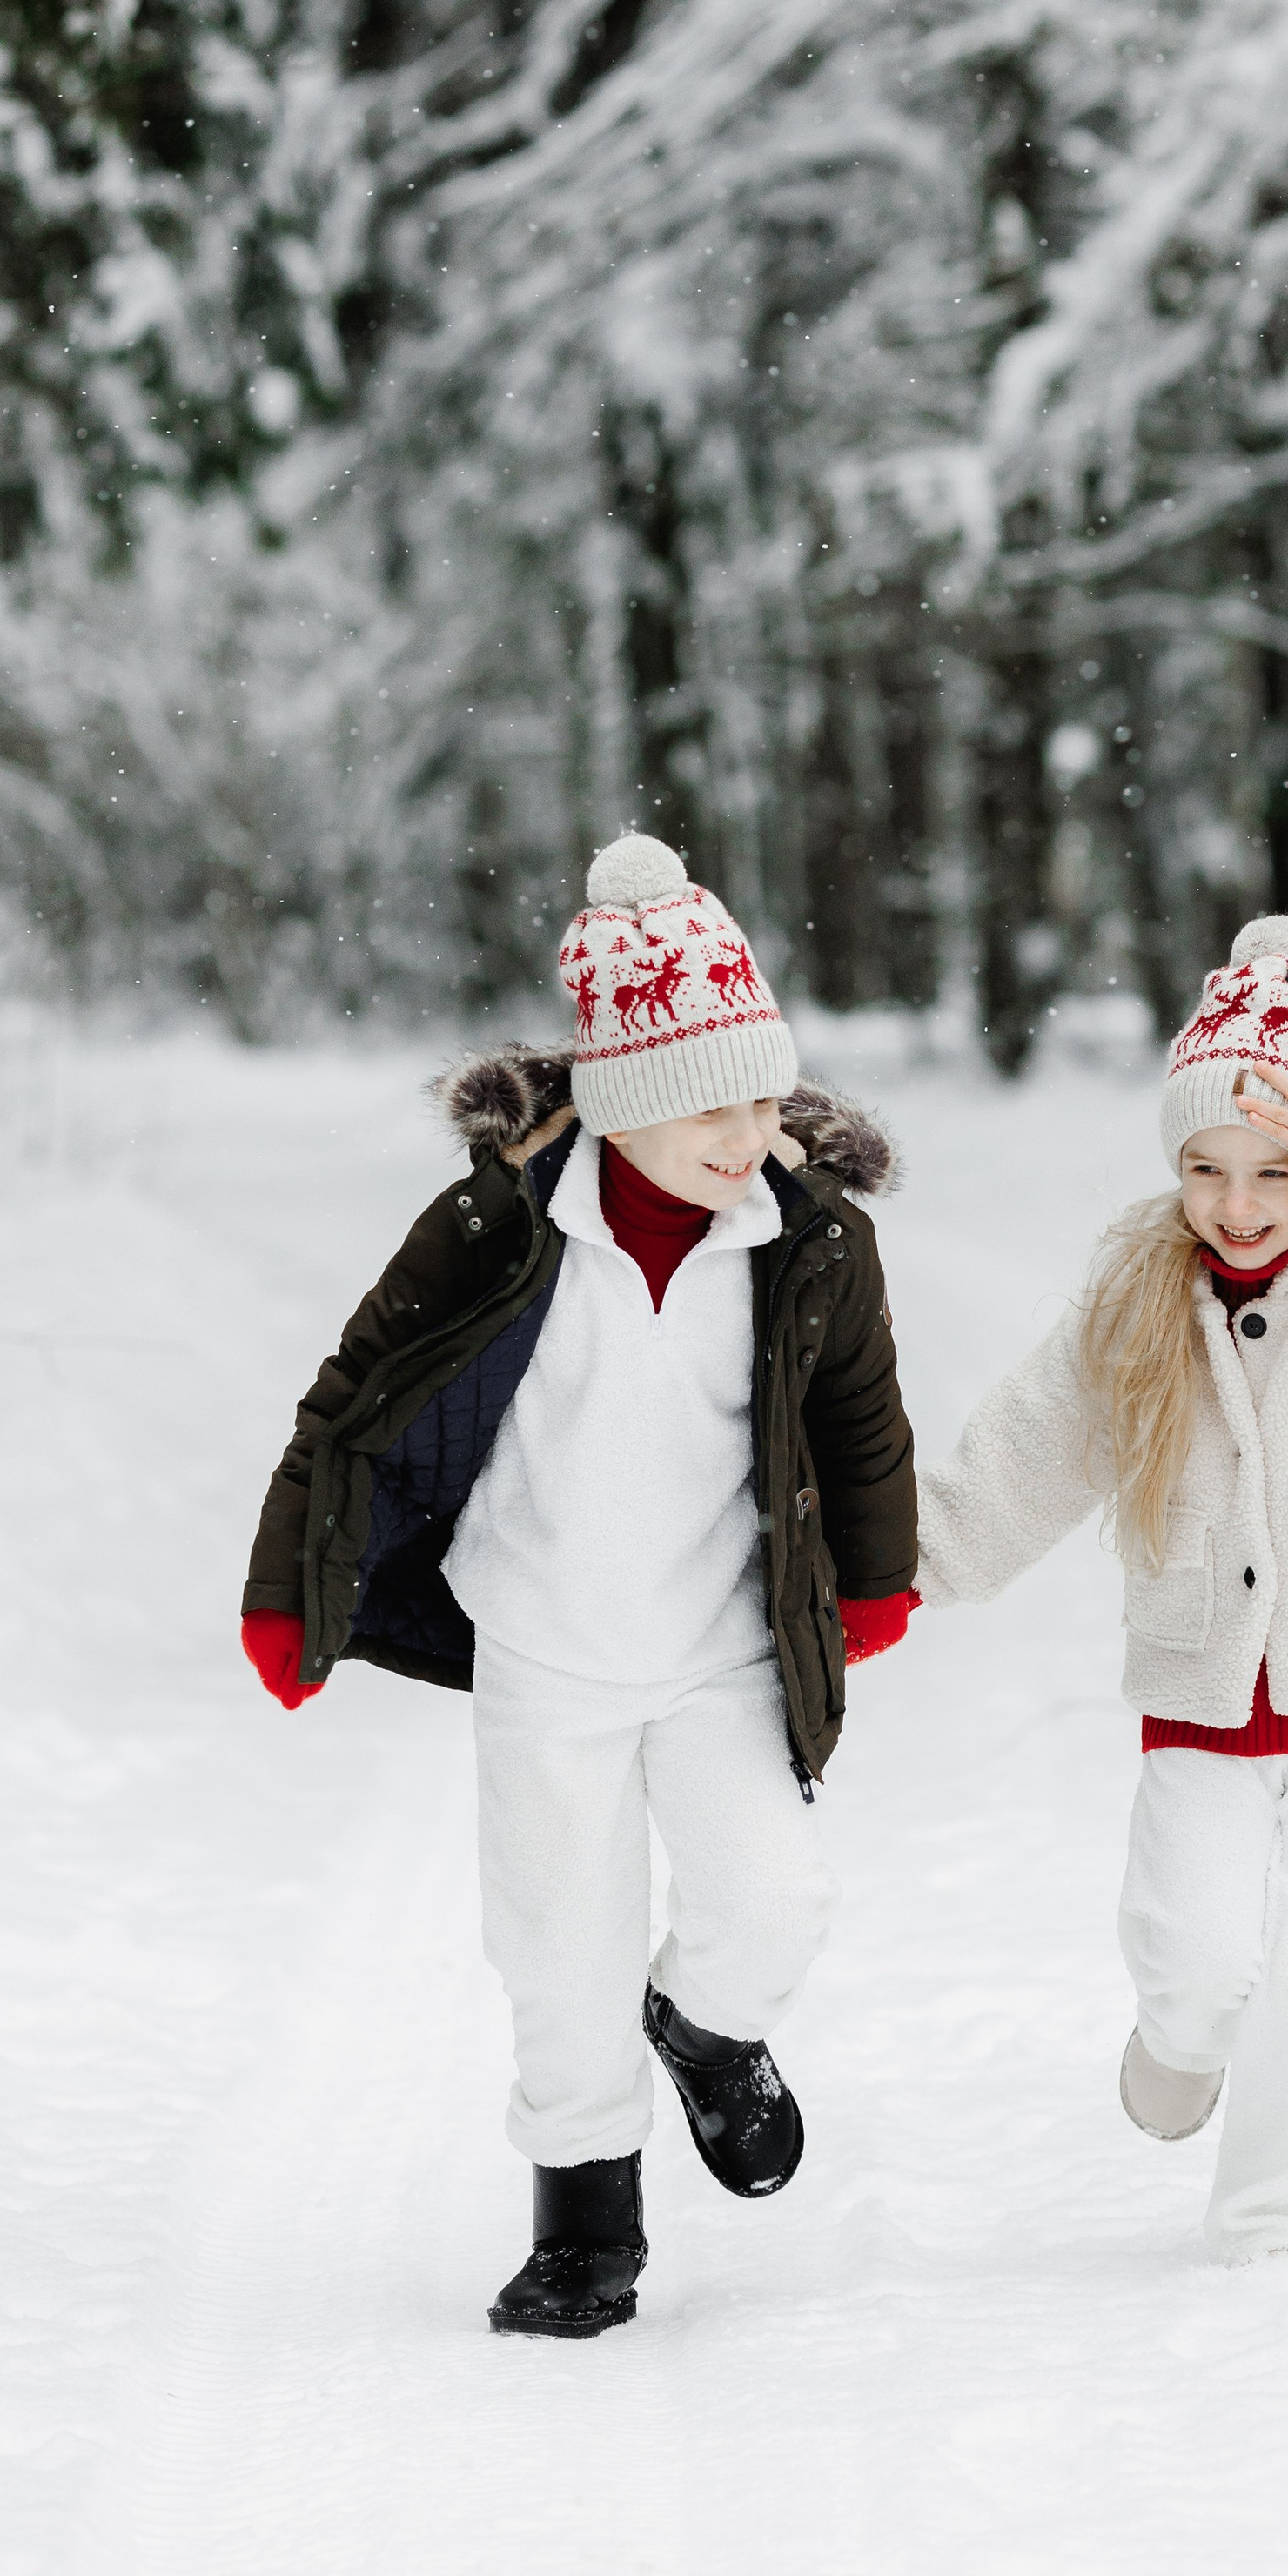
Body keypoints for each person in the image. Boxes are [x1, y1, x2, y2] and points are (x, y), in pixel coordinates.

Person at [238, 834, 917, 2336]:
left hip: (724, 1645)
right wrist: (291, 1592)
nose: (750, 1135)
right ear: (619, 1101)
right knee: (557, 1946)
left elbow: (859, 1418)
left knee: (775, 1899)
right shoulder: (501, 1228)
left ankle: (706, 2029)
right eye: (710, 1106)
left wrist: (874, 1578)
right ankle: (585, 2222)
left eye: (765, 1097)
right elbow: (354, 1401)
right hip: (544, 1648)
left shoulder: (806, 1239)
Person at [916, 914, 1288, 2265]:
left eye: (1276, 1172)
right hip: (1205, 1672)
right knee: (1193, 1952)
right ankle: (1182, 2044)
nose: (1237, 1205)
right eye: (1204, 1168)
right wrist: (901, 1572)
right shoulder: (1140, 1299)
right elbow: (1030, 1447)